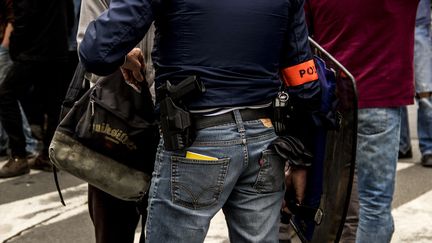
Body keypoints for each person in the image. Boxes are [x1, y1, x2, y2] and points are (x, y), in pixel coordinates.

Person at [79, 0, 321, 241]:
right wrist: (301, 157)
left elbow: (97, 51)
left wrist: (125, 58)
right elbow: (304, 80)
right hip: (263, 136)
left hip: (196, 137)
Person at [305, 0, 418, 242]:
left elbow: (302, 34)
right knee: (374, 204)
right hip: (377, 98)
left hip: (329, 99)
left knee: (325, 199)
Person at [76, 0, 157, 242]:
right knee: (111, 230)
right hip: (114, 125)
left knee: (165, 230)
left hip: (170, 125)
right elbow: (88, 53)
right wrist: (121, 59)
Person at [0, 0, 74, 178]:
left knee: (5, 93)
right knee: (53, 102)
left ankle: (19, 156)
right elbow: (70, 16)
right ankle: (49, 157)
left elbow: (23, 17)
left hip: (34, 50)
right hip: (57, 49)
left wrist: (16, 49)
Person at [0, 0, 39, 161]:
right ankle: (5, 142)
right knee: (5, 94)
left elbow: (13, 16)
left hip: (5, 45)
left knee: (6, 93)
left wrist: (5, 45)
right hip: (6, 43)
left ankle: (28, 144)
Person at [399, 0, 432, 167]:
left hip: (419, 26)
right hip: (393, 26)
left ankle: (429, 147)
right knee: (395, 89)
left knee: (425, 91)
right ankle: (402, 144)